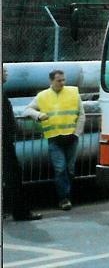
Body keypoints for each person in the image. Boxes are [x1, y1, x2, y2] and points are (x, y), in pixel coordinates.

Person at [23, 69, 84, 211]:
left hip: (71, 137)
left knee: (69, 169)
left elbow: (81, 115)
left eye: (63, 80)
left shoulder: (73, 92)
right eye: (59, 80)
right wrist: (38, 115)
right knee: (60, 169)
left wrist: (76, 134)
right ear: (51, 81)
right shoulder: (42, 96)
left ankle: (66, 195)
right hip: (54, 138)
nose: (62, 83)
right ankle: (64, 198)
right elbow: (27, 110)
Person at [2, 66, 41, 221]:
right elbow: (7, 121)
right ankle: (20, 212)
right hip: (4, 143)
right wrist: (19, 132)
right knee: (13, 176)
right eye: (3, 71)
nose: (6, 74)